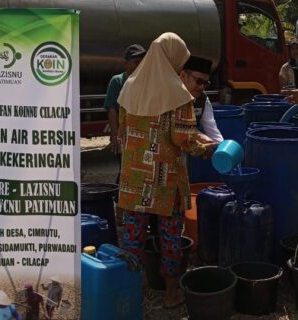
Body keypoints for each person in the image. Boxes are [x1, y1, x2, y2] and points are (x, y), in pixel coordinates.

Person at [116, 32, 216, 309]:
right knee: (170, 237)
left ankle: (130, 297)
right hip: (164, 183)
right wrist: (210, 148)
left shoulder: (129, 87)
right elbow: (185, 139)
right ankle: (172, 294)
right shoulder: (178, 96)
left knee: (133, 240)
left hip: (133, 181)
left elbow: (123, 131)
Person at [104, 44, 146, 181]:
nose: (139, 66)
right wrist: (116, 136)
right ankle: (118, 197)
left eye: (142, 62)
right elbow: (112, 110)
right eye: (135, 62)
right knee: (125, 169)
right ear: (127, 63)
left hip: (141, 135)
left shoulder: (145, 82)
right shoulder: (117, 81)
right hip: (123, 135)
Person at [180, 55, 223, 143]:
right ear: (183, 76)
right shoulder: (169, 96)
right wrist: (199, 135)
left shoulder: (202, 99)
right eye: (199, 81)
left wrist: (222, 148)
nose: (202, 87)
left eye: (206, 83)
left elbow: (212, 130)